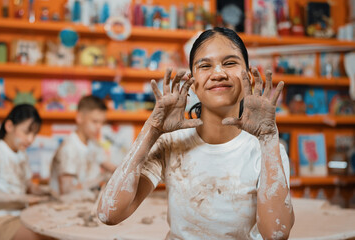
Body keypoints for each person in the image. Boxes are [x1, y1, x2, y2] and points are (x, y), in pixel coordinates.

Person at [97, 27, 294, 239]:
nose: (218, 74)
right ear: (192, 84)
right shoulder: (171, 142)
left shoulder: (267, 149)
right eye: (205, 65)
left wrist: (268, 138)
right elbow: (109, 213)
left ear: (249, 76)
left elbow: (275, 234)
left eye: (230, 63)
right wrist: (152, 129)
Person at [0, 104, 51, 240]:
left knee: (53, 228)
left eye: (34, 134)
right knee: (43, 236)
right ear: (9, 126)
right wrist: (19, 198)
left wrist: (48, 191)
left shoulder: (21, 154)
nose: (31, 139)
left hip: (21, 216)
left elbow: (29, 186)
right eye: (27, 132)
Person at [50, 95, 116, 195]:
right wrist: (99, 179)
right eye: (95, 121)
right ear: (79, 118)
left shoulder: (93, 144)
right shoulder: (69, 148)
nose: (99, 127)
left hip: (83, 201)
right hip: (64, 205)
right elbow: (66, 191)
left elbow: (111, 167)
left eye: (102, 123)